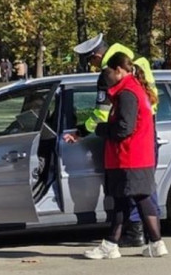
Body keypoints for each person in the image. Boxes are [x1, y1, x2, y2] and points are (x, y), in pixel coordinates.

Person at [63, 33, 158, 247]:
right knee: (143, 191)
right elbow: (151, 102)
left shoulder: (110, 75)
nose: (92, 65)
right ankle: (147, 238)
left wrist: (83, 131)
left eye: (91, 60)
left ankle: (134, 235)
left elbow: (101, 114)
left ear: (97, 55)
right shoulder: (138, 62)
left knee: (126, 192)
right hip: (147, 133)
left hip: (126, 141)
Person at [84, 52, 168, 259]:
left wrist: (101, 130)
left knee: (133, 199)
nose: (106, 76)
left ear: (119, 71)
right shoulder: (134, 90)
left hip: (129, 156)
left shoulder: (127, 94)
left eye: (108, 72)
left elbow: (124, 128)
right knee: (131, 200)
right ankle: (131, 244)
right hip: (137, 156)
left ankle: (127, 244)